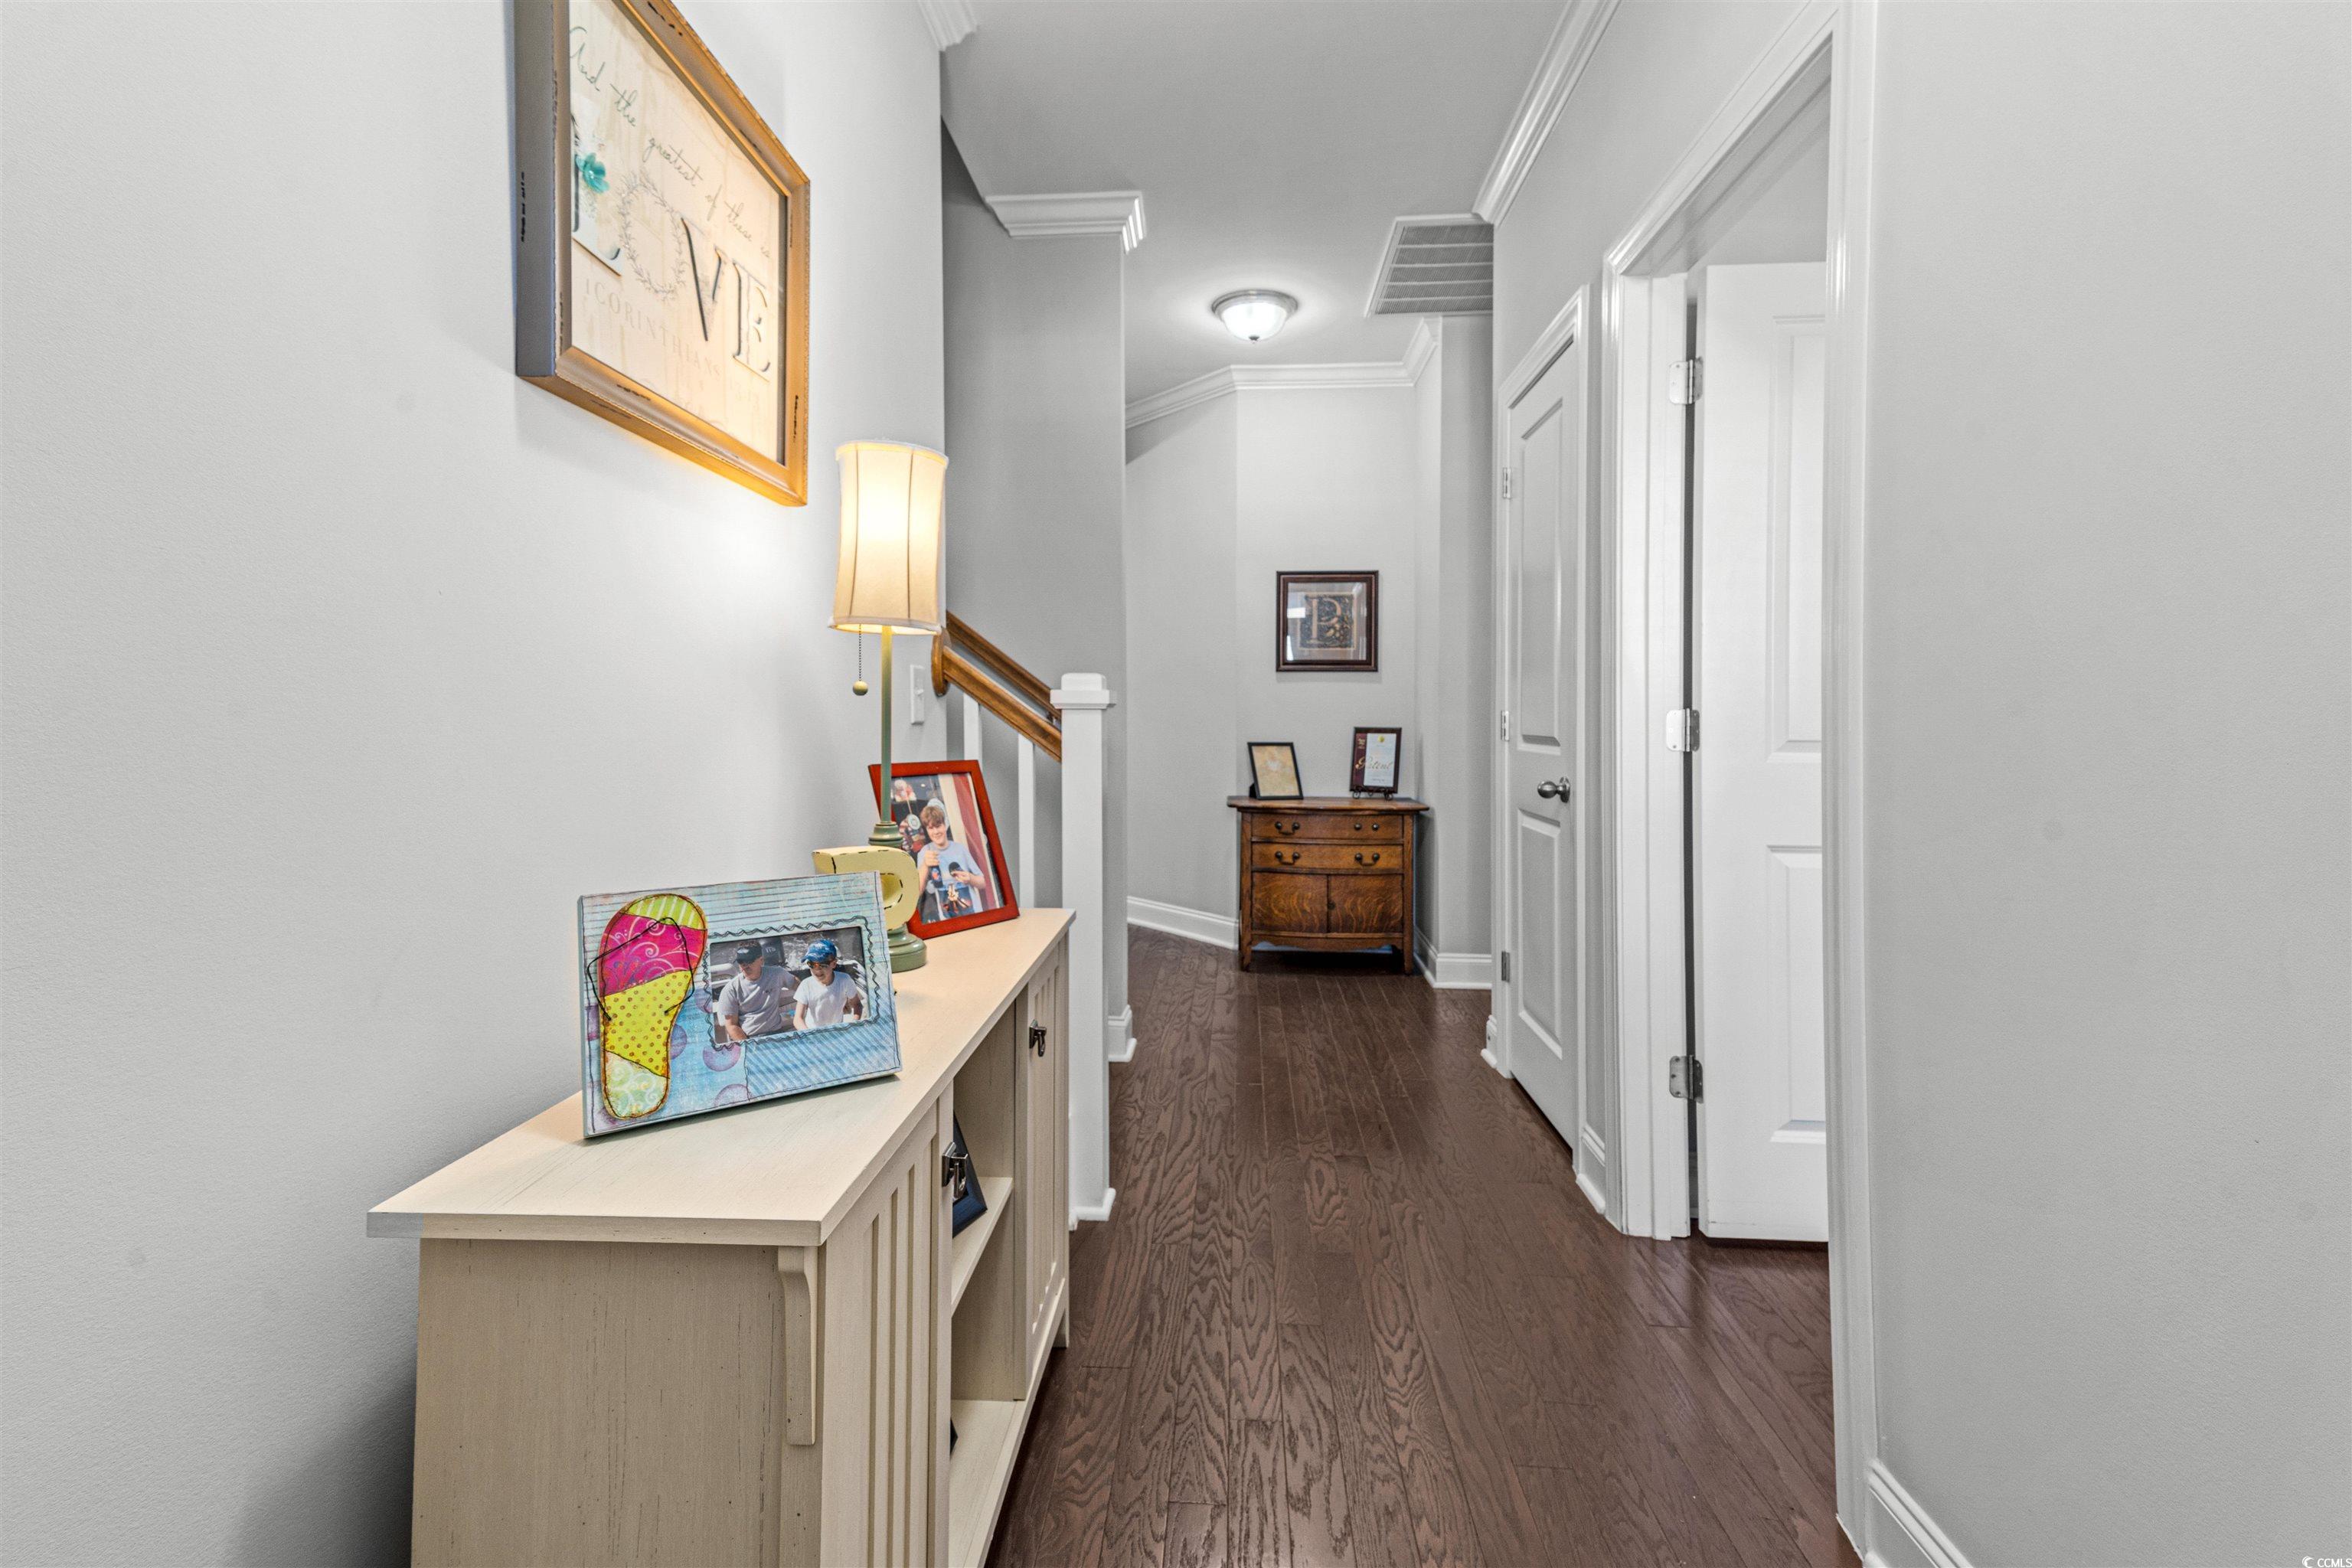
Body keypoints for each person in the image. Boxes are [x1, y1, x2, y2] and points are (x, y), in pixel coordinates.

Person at [914, 800, 990, 923]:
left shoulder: (960, 849)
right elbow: (917, 891)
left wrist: (970, 878)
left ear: (945, 825)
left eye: (938, 826)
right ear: (927, 830)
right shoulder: (925, 852)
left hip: (974, 914)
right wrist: (925, 866)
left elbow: (982, 883)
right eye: (931, 828)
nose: (935, 832)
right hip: (947, 919)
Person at [713, 942, 793, 1041]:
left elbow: (797, 984)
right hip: (750, 1038)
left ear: (761, 960)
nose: (744, 965)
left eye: (749, 961)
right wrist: (749, 1045)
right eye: (741, 961)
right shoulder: (730, 989)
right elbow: (732, 1025)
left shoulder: (777, 974)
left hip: (777, 1033)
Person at [792, 938, 864, 1031]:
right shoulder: (805, 985)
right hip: (813, 1032)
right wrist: (808, 1034)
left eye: (822, 965)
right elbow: (798, 1019)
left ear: (834, 964)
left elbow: (857, 1004)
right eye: (812, 964)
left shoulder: (845, 980)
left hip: (837, 1031)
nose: (817, 970)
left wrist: (854, 1025)